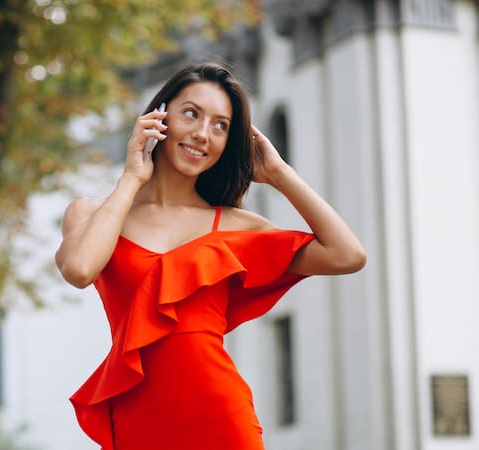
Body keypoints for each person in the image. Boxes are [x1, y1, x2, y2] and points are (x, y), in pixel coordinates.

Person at [54, 62, 366, 450]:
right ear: (159, 117)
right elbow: (80, 269)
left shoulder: (235, 226)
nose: (203, 134)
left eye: (221, 126)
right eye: (192, 114)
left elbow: (346, 254)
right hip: (137, 420)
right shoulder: (93, 213)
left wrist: (279, 172)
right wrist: (132, 179)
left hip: (220, 420)